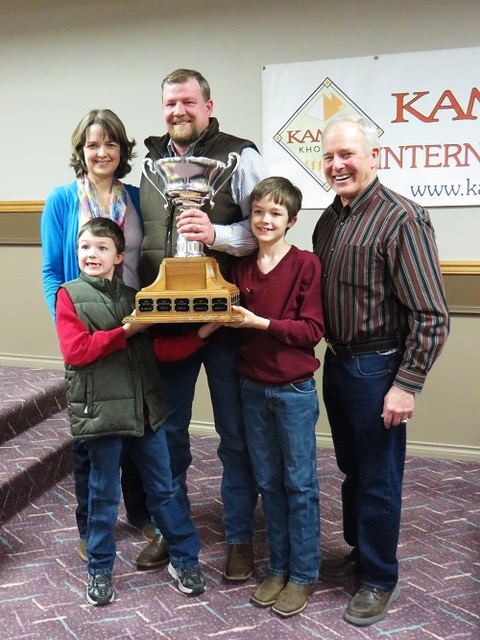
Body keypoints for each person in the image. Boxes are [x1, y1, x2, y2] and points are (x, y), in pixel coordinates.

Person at [312, 113, 450, 626]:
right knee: (352, 470)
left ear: (375, 156)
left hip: (379, 368)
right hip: (339, 363)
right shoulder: (330, 218)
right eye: (328, 156)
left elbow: (432, 315)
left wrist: (406, 385)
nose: (337, 164)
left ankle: (378, 578)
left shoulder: (402, 218)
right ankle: (361, 550)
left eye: (347, 154)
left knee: (379, 478)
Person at [137, 69, 269, 579]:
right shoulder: (150, 163)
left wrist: (214, 232)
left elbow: (262, 230)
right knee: (167, 436)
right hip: (166, 324)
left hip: (223, 323)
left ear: (209, 106)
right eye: (171, 103)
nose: (179, 111)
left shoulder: (239, 155)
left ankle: (238, 537)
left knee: (234, 436)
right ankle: (173, 531)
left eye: (189, 102)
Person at [56, 217, 215, 604]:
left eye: (101, 248)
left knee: (165, 489)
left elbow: (159, 350)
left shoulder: (135, 297)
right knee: (103, 495)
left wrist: (201, 334)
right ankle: (99, 569)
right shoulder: (69, 295)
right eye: (85, 248)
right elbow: (77, 351)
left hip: (146, 414)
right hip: (102, 416)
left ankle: (184, 558)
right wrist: (129, 329)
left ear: (118, 256)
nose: (91, 254)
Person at [41, 109, 152, 561]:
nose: (101, 152)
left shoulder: (141, 199)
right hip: (85, 331)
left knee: (137, 424)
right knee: (91, 435)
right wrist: (68, 321)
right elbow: (51, 271)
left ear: (123, 150)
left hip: (135, 327)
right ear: (80, 151)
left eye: (110, 143)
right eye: (92, 144)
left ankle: (142, 514)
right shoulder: (63, 199)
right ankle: (90, 526)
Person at [223, 177, 324, 617]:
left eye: (276, 213)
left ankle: (303, 574)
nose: (265, 220)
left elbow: (312, 332)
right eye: (259, 211)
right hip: (251, 388)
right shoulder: (241, 267)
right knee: (267, 482)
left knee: (299, 484)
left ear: (292, 221)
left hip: (294, 391)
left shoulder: (306, 264)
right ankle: (278, 567)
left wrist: (260, 323)